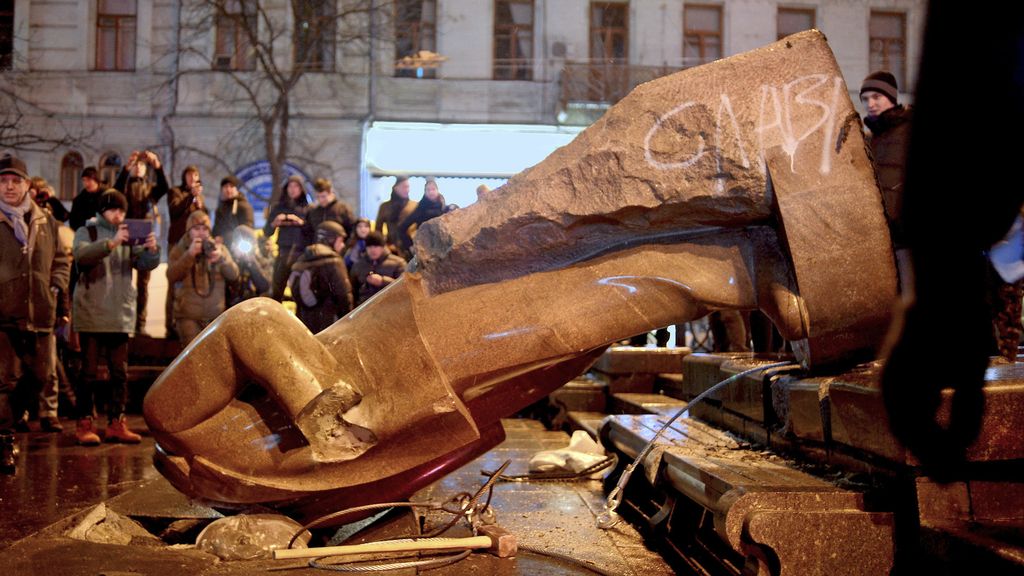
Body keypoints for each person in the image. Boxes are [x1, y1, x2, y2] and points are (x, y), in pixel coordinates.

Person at [0, 155, 71, 472]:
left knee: (39, 377)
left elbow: (61, 260)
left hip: (40, 311)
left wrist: (56, 287)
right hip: (4, 313)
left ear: (27, 185)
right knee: (4, 381)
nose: (9, 187)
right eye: (3, 181)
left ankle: (5, 425)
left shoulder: (47, 222)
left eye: (16, 181)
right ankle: (4, 440)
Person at [72, 189, 159, 445]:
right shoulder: (86, 231)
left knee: (119, 373)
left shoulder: (128, 234)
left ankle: (116, 422)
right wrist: (111, 243)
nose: (118, 214)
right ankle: (84, 422)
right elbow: (81, 256)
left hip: (120, 314)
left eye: (121, 210)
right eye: (113, 210)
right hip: (91, 312)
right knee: (88, 373)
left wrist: (152, 251)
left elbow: (143, 264)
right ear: (101, 211)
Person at [860, 71, 912, 286]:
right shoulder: (870, 139)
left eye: (876, 97)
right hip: (880, 241)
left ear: (891, 97)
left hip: (906, 240)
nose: (870, 104)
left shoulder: (909, 131)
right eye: (865, 99)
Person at [113, 150, 169, 334]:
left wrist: (157, 165)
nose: (138, 168)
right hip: (126, 234)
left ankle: (140, 324)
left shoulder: (151, 188)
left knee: (143, 283)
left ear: (146, 169)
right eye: (135, 165)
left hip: (144, 235)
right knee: (123, 280)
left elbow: (164, 187)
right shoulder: (125, 186)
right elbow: (115, 190)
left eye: (141, 165)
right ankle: (122, 322)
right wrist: (125, 168)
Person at [167, 211, 239, 343]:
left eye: (204, 229)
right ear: (189, 231)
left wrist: (221, 259)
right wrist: (189, 255)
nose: (201, 232)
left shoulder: (218, 249)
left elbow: (234, 275)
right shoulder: (179, 249)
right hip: (188, 316)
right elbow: (171, 276)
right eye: (196, 228)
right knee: (192, 359)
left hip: (215, 318)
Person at [289, 221, 354, 333]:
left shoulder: (301, 260)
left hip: (304, 322)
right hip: (329, 322)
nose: (343, 245)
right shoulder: (334, 261)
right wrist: (349, 323)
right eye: (340, 240)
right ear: (330, 240)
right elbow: (343, 295)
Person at [166, 165, 208, 339]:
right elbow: (174, 211)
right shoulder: (176, 192)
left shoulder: (199, 197)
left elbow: (203, 219)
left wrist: (200, 205)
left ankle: (193, 321)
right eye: (189, 175)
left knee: (194, 282)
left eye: (196, 175)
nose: (192, 178)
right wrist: (190, 196)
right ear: (184, 177)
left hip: (195, 243)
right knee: (174, 283)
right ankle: (170, 324)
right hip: (177, 242)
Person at [264, 175, 309, 301]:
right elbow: (267, 232)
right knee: (276, 292)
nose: (293, 189)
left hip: (301, 255)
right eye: (290, 186)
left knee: (301, 293)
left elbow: (311, 233)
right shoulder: (278, 208)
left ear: (301, 189)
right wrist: (275, 223)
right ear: (286, 188)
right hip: (283, 253)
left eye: (296, 186)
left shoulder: (308, 209)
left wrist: (300, 223)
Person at [350, 231, 406, 306]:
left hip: (391, 307)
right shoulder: (358, 265)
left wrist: (383, 281)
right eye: (369, 247)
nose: (373, 250)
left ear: (382, 247)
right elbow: (353, 291)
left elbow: (405, 286)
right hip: (365, 309)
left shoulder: (398, 263)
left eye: (376, 246)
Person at [227, 224, 273, 307]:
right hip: (231, 307)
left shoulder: (259, 260)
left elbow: (264, 286)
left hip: (252, 305)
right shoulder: (228, 259)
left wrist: (251, 263)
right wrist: (236, 260)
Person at [398, 177, 446, 256]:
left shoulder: (443, 207)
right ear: (425, 192)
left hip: (442, 246)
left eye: (433, 189)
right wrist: (410, 246)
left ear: (437, 190)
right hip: (424, 246)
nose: (431, 192)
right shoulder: (420, 209)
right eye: (428, 190)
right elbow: (402, 228)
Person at [374, 175, 417, 258]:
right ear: (396, 188)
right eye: (404, 187)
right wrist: (384, 246)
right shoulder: (385, 206)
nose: (407, 190)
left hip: (411, 248)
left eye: (408, 187)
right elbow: (378, 230)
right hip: (391, 248)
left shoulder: (414, 206)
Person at [212, 175, 254, 249]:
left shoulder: (244, 206)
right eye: (225, 187)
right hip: (222, 248)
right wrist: (216, 237)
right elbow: (216, 229)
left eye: (231, 186)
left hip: (240, 247)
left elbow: (247, 228)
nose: (228, 190)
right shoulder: (220, 209)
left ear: (236, 189)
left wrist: (225, 238)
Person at [70, 166, 105, 231]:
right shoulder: (79, 200)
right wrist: (86, 223)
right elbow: (73, 222)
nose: (86, 183)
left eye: (89, 180)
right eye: (84, 180)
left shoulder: (108, 196)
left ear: (96, 180)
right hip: (86, 236)